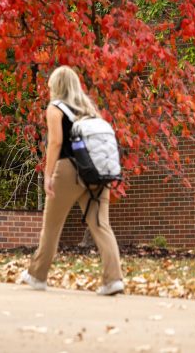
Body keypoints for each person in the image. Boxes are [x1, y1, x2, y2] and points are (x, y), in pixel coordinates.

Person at [20, 65, 124, 296]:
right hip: (97, 173)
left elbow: (55, 143)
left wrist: (47, 176)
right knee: (100, 225)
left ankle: (37, 275)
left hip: (69, 171)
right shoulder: (89, 111)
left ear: (55, 86)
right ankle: (113, 279)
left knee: (52, 226)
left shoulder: (55, 108)